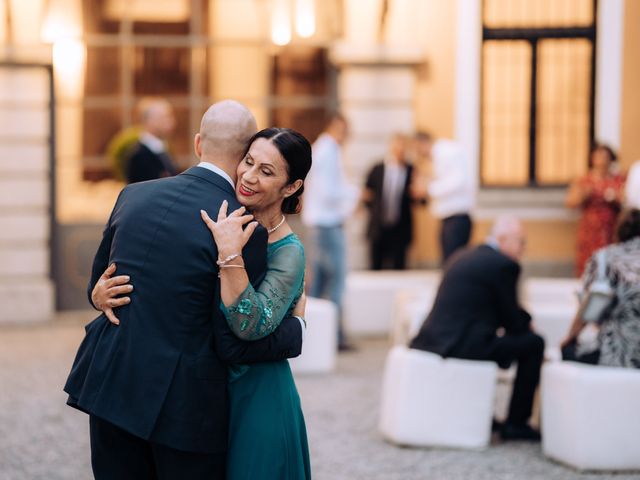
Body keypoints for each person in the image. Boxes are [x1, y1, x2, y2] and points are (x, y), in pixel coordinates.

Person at [64, 101, 306, 479]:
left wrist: (97, 297)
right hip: (184, 407)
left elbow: (100, 284)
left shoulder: (133, 195)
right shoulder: (240, 228)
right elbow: (233, 341)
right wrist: (297, 331)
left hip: (110, 383)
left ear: (197, 144)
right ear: (243, 155)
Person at [410, 216, 544, 441]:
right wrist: (527, 324)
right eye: (520, 242)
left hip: (432, 340)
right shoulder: (504, 264)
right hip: (461, 345)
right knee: (533, 344)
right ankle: (517, 423)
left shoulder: (463, 254)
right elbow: (511, 319)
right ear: (503, 240)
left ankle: (487, 415)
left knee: (509, 341)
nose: (523, 249)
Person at [302, 113, 359, 350]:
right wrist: (354, 194)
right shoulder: (329, 150)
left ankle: (313, 334)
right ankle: (334, 335)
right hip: (327, 223)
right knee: (336, 280)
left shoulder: (320, 149)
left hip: (319, 223)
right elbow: (329, 191)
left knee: (319, 280)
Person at [561, 209, 640, 368]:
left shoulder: (605, 258)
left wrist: (570, 337)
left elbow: (591, 307)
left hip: (619, 353)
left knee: (568, 351)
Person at [363, 133, 426, 270]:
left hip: (400, 230)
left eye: (403, 146)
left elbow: (421, 200)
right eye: (397, 146)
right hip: (379, 228)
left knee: (399, 269)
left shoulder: (411, 170)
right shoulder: (377, 169)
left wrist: (419, 190)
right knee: (375, 269)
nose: (400, 150)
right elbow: (367, 196)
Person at [565, 143, 626, 276]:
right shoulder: (584, 180)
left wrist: (614, 197)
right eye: (598, 156)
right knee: (589, 262)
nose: (601, 160)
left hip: (611, 228)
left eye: (605, 156)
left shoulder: (618, 179)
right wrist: (584, 194)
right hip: (590, 230)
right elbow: (570, 203)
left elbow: (626, 200)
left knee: (611, 262)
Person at [415, 133, 475, 264]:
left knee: (452, 261)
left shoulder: (446, 153)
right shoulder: (442, 154)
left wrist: (429, 189)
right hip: (451, 216)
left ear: (422, 143)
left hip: (456, 216)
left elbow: (459, 180)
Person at [125, 97, 178, 184]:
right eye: (165, 117)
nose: (172, 121)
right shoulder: (138, 155)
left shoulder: (162, 148)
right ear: (150, 120)